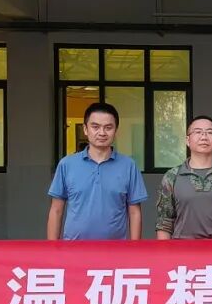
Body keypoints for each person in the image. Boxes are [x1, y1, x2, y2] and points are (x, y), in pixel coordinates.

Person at [47, 102, 147, 240]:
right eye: (95, 127)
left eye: (108, 127)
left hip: (115, 250)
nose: (102, 133)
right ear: (85, 129)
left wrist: (134, 248)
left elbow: (134, 212)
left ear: (116, 131)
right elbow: (56, 210)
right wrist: (52, 248)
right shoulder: (67, 164)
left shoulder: (129, 166)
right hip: (74, 249)